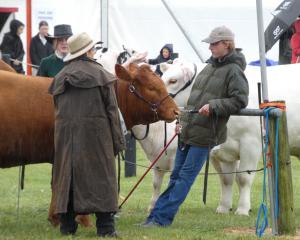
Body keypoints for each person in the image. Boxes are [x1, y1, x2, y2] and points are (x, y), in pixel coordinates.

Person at [141, 26, 249, 227]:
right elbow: (193, 101)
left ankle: (161, 219)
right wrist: (181, 122)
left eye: (214, 44)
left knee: (183, 179)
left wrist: (215, 105)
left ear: (227, 44)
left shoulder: (234, 71)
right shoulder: (209, 67)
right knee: (175, 178)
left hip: (205, 135)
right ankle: (154, 218)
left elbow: (240, 100)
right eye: (210, 44)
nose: (210, 47)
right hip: (188, 130)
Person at [48, 32, 125, 237]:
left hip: (67, 139)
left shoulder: (60, 78)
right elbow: (112, 112)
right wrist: (117, 143)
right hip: (98, 140)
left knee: (68, 179)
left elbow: (57, 112)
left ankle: (67, 228)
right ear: (89, 51)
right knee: (102, 179)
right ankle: (106, 229)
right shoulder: (101, 76)